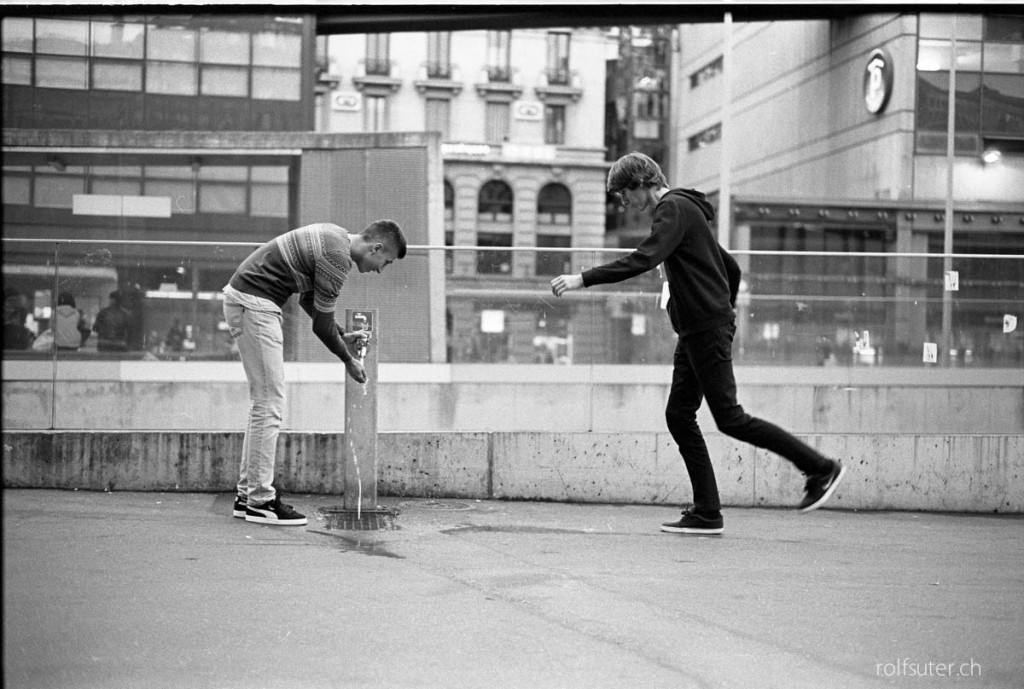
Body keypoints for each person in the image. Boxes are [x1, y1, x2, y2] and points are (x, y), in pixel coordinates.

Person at [551, 152, 846, 535]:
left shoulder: (672, 209)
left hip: (704, 329)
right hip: (699, 328)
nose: (624, 204)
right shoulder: (687, 212)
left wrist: (582, 279)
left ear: (642, 183)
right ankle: (707, 511)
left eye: (624, 195)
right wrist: (724, 312)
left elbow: (645, 258)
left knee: (731, 419)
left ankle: (821, 468)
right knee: (679, 415)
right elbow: (732, 268)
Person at [224, 220, 407, 526]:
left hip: (246, 300)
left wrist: (341, 334)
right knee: (270, 404)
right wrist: (348, 359)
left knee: (263, 404)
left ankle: (248, 496)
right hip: (255, 305)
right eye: (384, 262)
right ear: (376, 248)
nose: (380, 270)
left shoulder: (333, 237)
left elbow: (311, 302)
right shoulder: (337, 259)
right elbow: (320, 326)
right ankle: (260, 500)